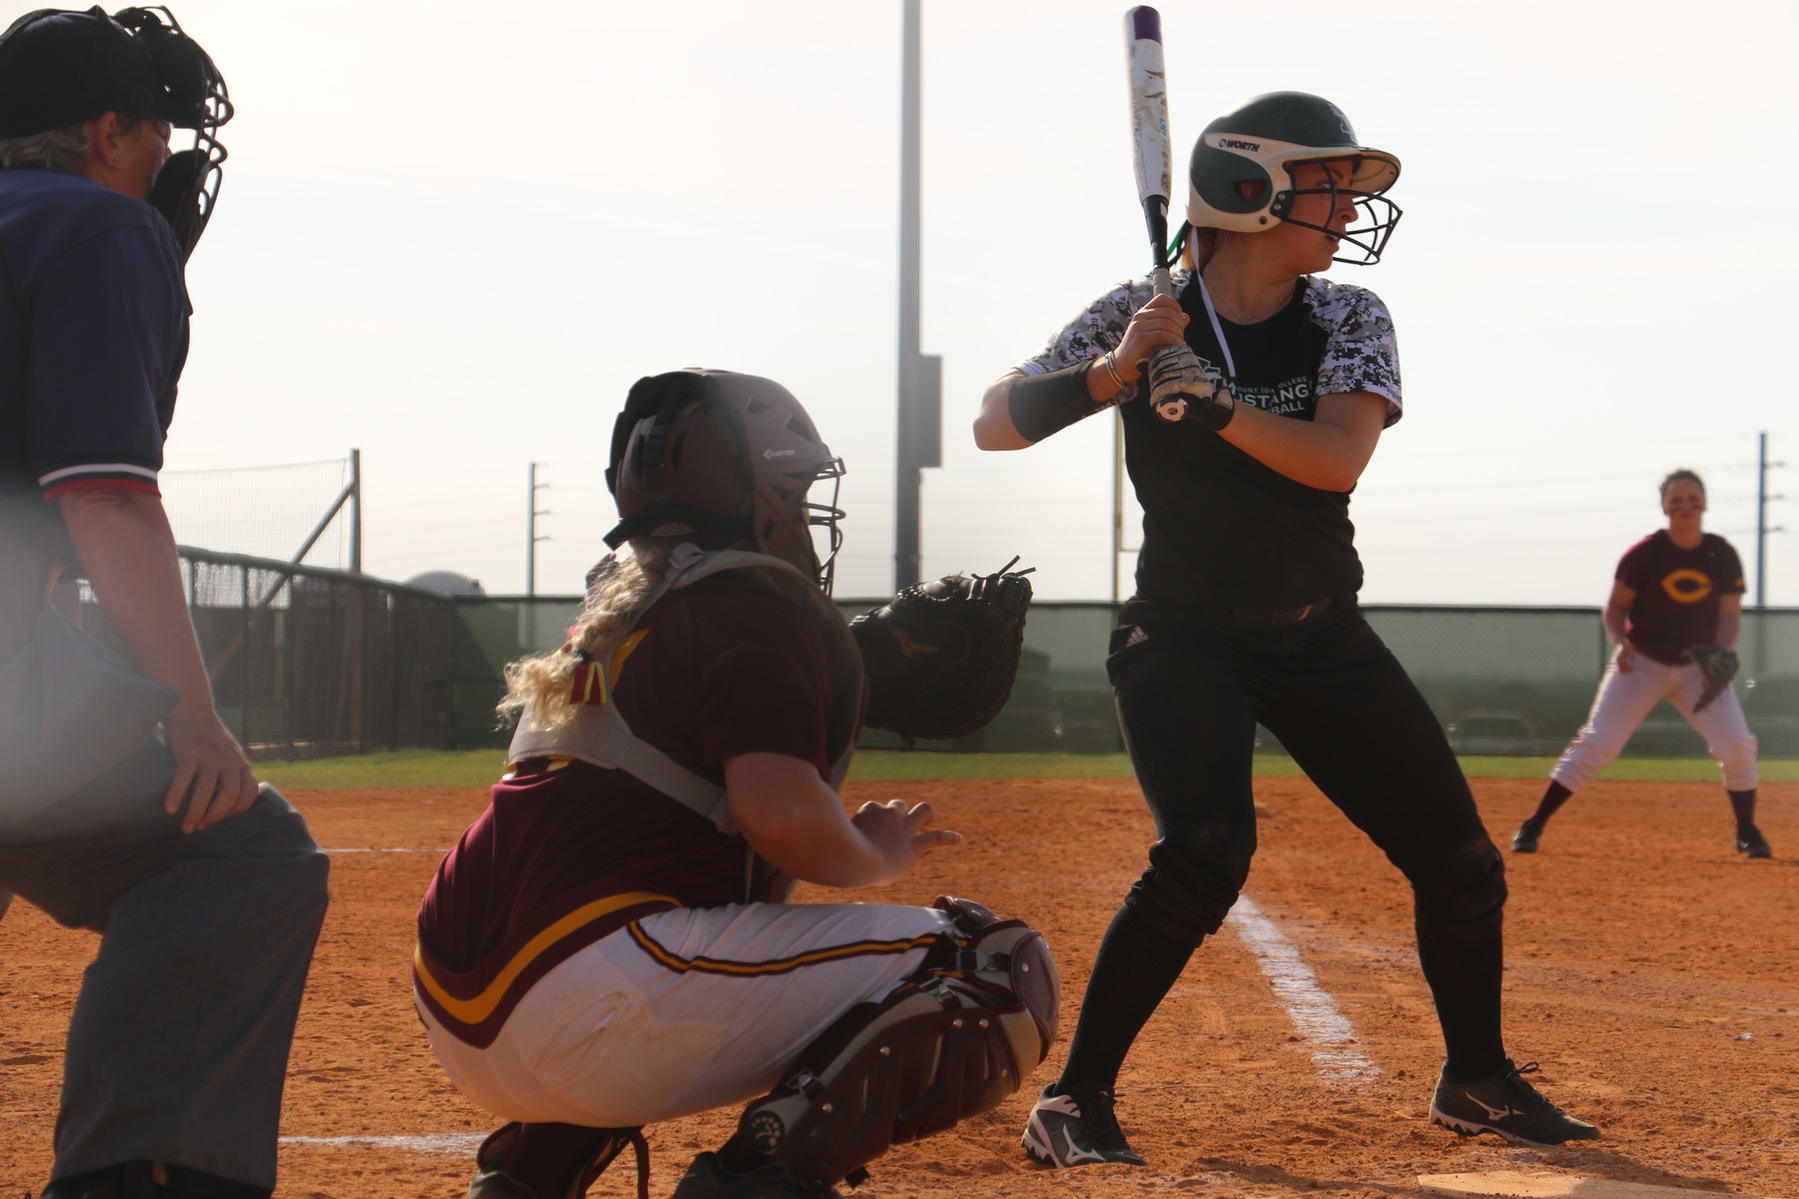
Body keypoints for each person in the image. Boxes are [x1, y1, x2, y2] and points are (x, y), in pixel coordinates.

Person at [973, 91, 1600, 1165]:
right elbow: (995, 422)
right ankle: (1075, 1098)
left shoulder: (1347, 316)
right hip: (1180, 636)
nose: (1348, 208)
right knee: (1203, 852)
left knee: (1459, 862)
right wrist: (1113, 372)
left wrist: (1213, 403)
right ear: (1247, 188)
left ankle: (1476, 1078)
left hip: (1317, 634)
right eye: (1328, 185)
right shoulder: (1140, 308)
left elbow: (1333, 458)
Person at [415, 369, 1058, 1199]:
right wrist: (877, 849)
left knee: (660, 923)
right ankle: (751, 1183)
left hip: (457, 1001)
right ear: (749, 492)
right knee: (990, 963)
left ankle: (529, 1178)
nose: (805, 514)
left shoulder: (623, 602)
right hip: (585, 999)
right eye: (793, 490)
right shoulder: (756, 602)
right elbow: (779, 818)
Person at [0, 8, 330, 1197]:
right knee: (238, 850)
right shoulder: (97, 226)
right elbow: (106, 499)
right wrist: (193, 713)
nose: (166, 159)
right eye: (154, 131)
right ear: (106, 129)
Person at [1513, 470, 1768, 858]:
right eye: (1676, 499)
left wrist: (1720, 652)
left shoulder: (1721, 554)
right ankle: (1533, 825)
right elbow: (1615, 608)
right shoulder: (1647, 553)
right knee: (1599, 743)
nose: (1685, 505)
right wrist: (1621, 643)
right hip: (1641, 663)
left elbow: (1729, 616)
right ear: (1663, 506)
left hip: (1697, 669)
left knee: (1737, 744)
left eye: (1692, 497)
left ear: (1705, 503)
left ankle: (1747, 832)